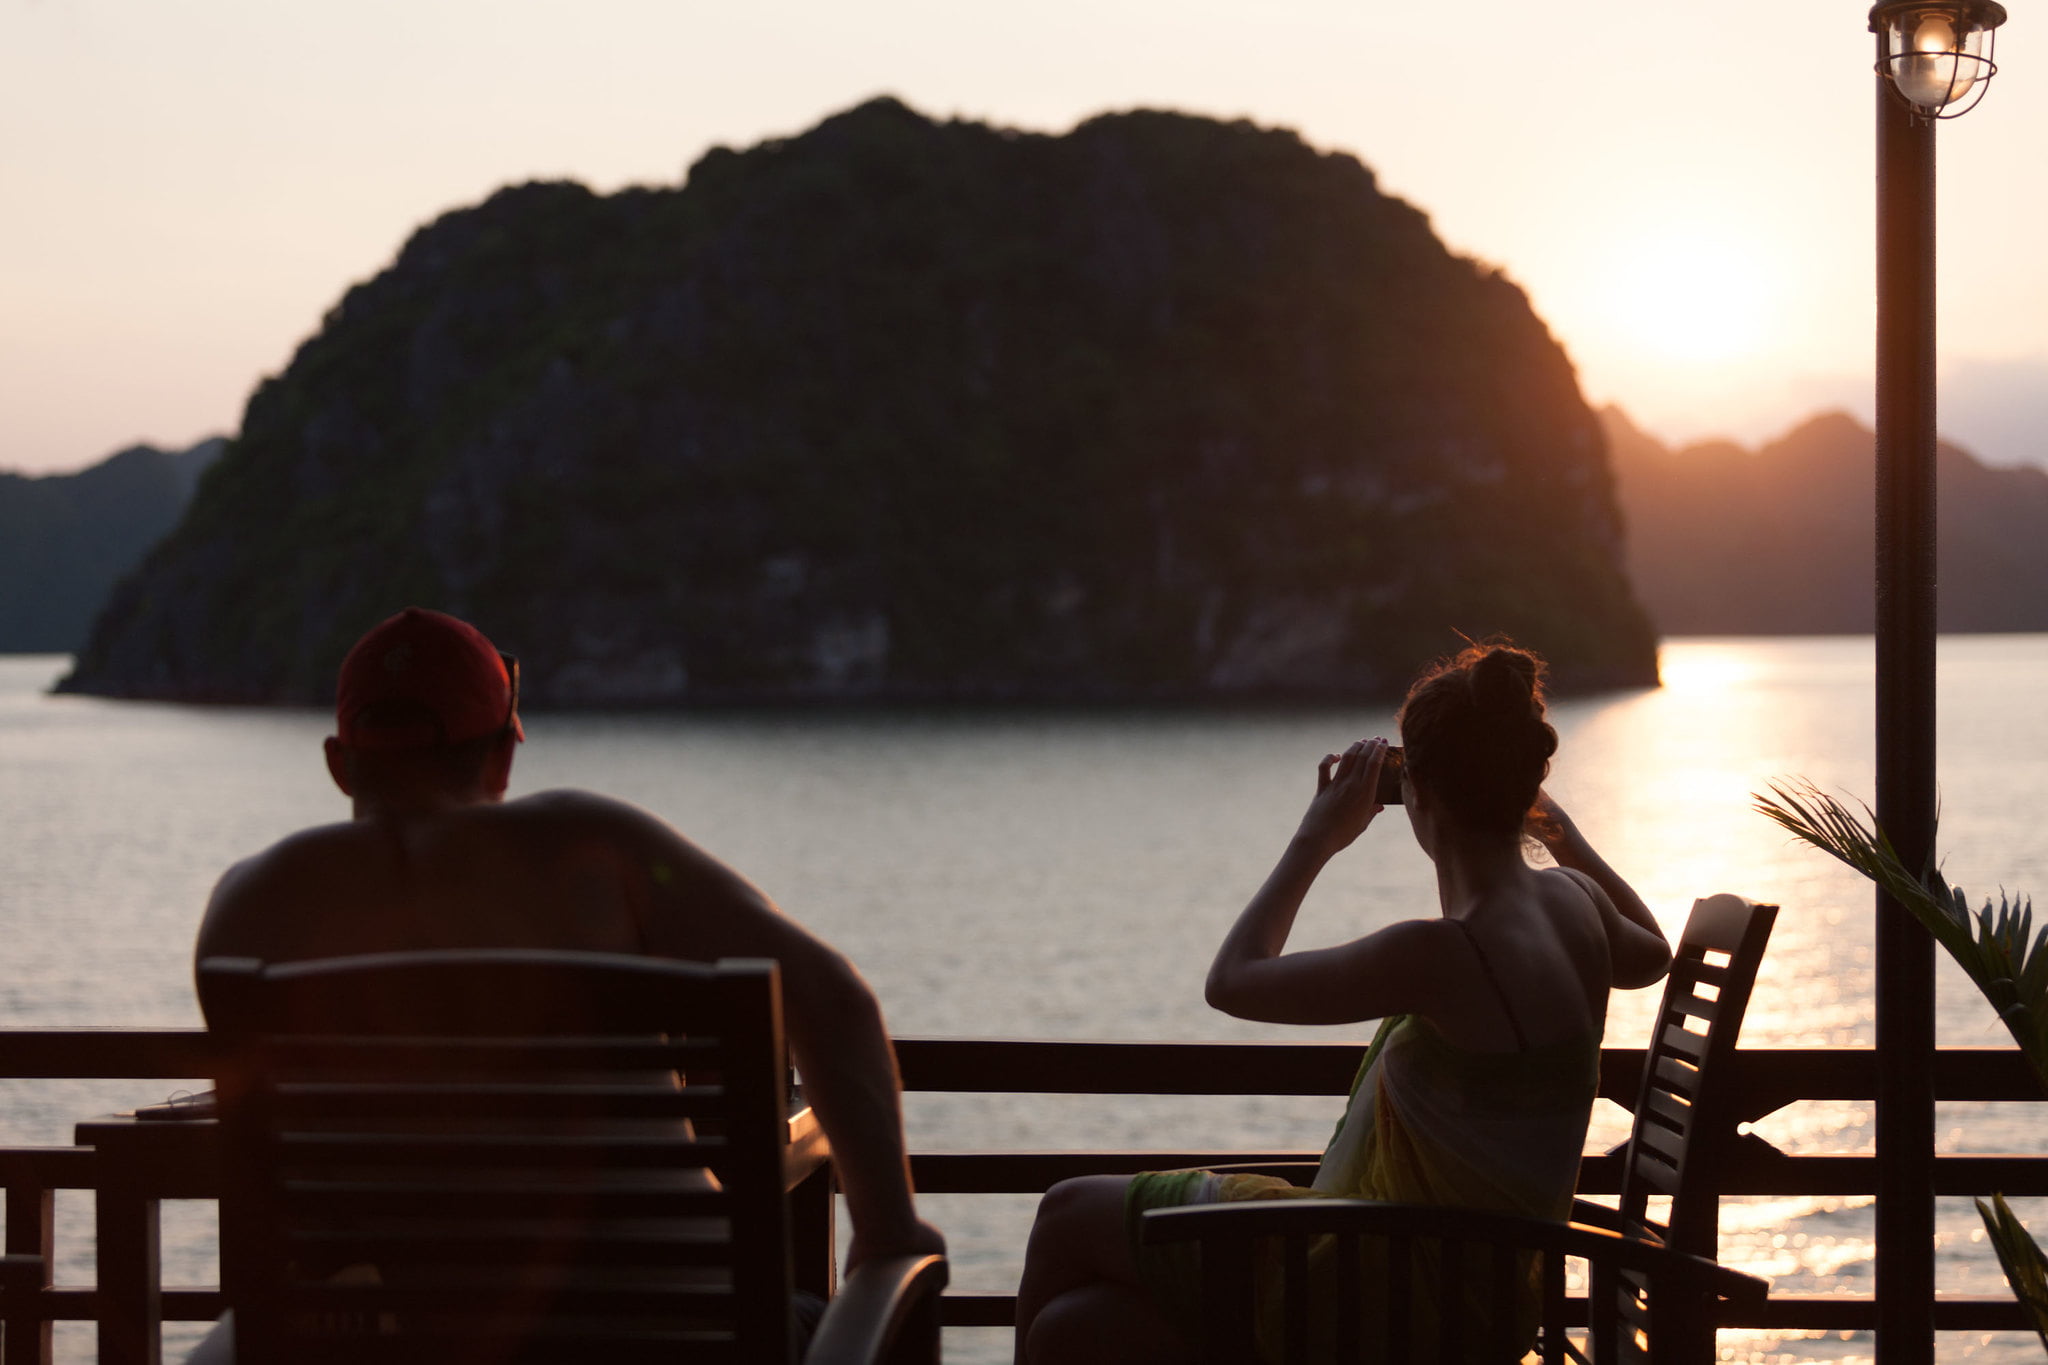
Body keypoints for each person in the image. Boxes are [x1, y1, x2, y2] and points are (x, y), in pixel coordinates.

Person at [187, 607, 944, 1359]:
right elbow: (834, 999)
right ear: (502, 759)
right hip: (693, 1339)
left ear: (340, 762)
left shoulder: (249, 907)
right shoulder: (595, 846)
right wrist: (886, 1233)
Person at [1012, 642, 1671, 1365]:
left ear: (1415, 789)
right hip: (1483, 1299)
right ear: (1525, 786)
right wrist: (1560, 831)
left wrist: (1316, 838)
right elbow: (1653, 951)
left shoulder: (1439, 953)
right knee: (1072, 1330)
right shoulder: (1576, 904)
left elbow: (1231, 980)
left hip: (1393, 1296)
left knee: (1065, 1213)